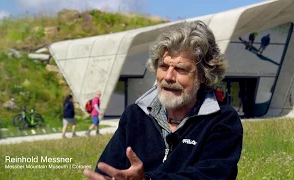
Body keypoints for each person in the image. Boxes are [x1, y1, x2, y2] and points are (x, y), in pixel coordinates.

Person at [83, 20, 243, 179]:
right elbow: (108, 171)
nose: (168, 77)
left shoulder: (222, 120)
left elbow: (212, 175)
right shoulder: (134, 116)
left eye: (181, 69)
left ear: (203, 76)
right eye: (164, 66)